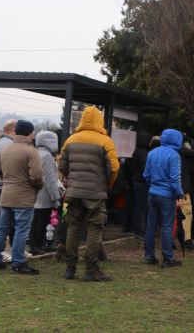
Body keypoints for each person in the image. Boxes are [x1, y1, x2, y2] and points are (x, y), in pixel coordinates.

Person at [59, 107, 119, 281]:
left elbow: (61, 165)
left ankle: (70, 268)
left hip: (73, 192)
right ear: (99, 120)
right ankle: (91, 269)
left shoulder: (71, 140)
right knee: (95, 228)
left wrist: (72, 180)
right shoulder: (105, 141)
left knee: (73, 227)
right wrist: (107, 185)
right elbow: (113, 168)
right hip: (95, 193)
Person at [0, 120, 43, 274]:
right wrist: (37, 187)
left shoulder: (6, 149)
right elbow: (37, 175)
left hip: (6, 193)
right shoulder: (31, 151)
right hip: (23, 195)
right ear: (29, 133)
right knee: (21, 230)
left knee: (2, 228)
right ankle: (18, 262)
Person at [142, 128, 185, 268]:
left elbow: (146, 175)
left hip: (152, 193)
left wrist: (153, 185)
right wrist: (179, 193)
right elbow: (175, 179)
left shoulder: (152, 153)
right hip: (167, 196)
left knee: (151, 226)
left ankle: (149, 256)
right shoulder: (174, 155)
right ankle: (167, 258)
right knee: (166, 227)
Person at [29, 131, 61, 255]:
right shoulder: (47, 156)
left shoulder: (36, 153)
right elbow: (50, 178)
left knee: (36, 220)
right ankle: (37, 246)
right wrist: (55, 196)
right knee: (42, 222)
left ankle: (36, 245)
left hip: (36, 194)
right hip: (45, 194)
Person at [128, 132, 151, 238]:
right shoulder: (143, 153)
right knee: (142, 207)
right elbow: (145, 169)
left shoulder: (136, 151)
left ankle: (135, 227)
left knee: (138, 205)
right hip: (142, 182)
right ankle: (139, 230)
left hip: (136, 180)